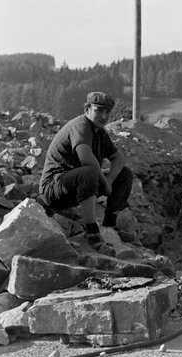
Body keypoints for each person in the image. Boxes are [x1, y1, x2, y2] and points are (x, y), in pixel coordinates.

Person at [39, 91, 133, 248]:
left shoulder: (99, 133)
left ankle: (110, 224)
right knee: (90, 172)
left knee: (125, 175)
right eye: (98, 111)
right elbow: (85, 158)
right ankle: (92, 231)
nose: (103, 116)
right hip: (53, 189)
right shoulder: (81, 126)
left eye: (107, 112)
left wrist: (109, 180)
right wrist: (105, 183)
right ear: (87, 109)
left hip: (75, 186)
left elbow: (118, 159)